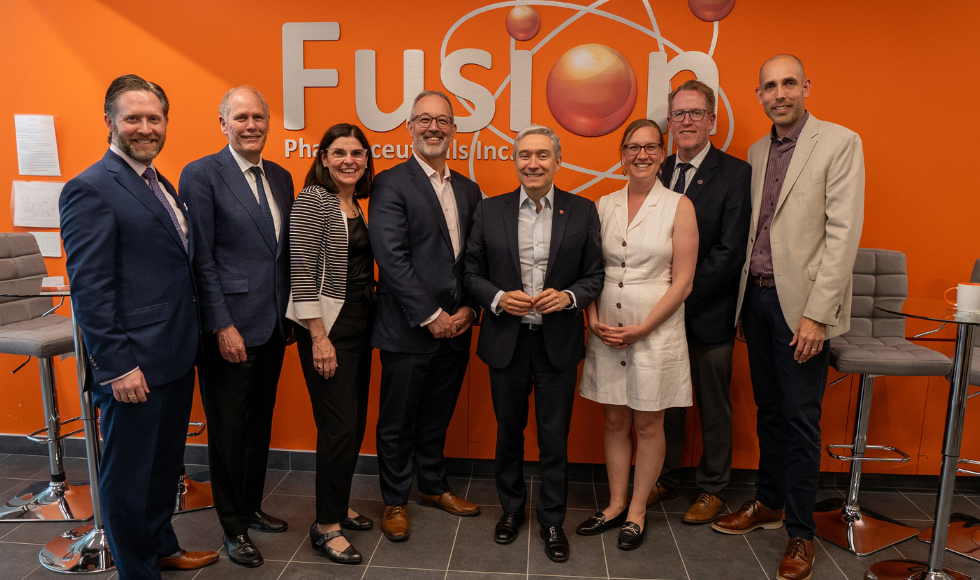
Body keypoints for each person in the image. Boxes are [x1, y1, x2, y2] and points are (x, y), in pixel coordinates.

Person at [60, 74, 219, 580]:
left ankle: (161, 546)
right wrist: (119, 365)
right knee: (128, 476)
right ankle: (137, 570)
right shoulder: (90, 189)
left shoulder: (157, 180)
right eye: (134, 118)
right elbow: (90, 290)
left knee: (162, 467)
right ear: (109, 121)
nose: (145, 127)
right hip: (134, 364)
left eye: (154, 118)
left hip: (172, 353)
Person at [712, 54, 864, 580]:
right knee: (770, 410)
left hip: (802, 307)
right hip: (755, 300)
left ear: (806, 87)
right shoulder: (757, 149)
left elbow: (843, 236)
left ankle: (801, 534)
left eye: (788, 83)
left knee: (801, 419)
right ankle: (769, 504)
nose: (779, 93)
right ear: (758, 95)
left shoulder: (840, 142)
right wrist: (740, 308)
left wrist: (817, 316)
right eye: (769, 86)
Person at [464, 124, 604, 562]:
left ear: (557, 161)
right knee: (509, 433)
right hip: (506, 340)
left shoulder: (582, 211)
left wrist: (569, 297)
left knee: (554, 438)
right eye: (525, 155)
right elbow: (470, 273)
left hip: (557, 342)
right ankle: (510, 510)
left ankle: (551, 519)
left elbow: (595, 275)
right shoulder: (491, 210)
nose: (533, 163)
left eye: (542, 155)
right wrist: (500, 298)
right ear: (515, 161)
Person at [179, 86, 293, 567]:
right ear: (222, 123)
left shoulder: (282, 177)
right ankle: (231, 526)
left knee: (258, 425)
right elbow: (200, 257)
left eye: (259, 117)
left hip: (272, 325)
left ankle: (250, 507)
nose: (252, 125)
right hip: (230, 328)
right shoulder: (202, 175)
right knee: (227, 430)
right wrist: (220, 324)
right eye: (241, 117)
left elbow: (280, 252)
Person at [576, 119, 698, 550]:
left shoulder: (679, 206)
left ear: (662, 154)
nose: (641, 155)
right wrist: (590, 317)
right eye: (632, 147)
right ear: (622, 154)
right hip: (607, 326)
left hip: (655, 328)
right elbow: (587, 270)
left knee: (648, 422)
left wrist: (645, 327)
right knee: (614, 418)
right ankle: (614, 504)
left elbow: (683, 281)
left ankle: (638, 511)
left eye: (650, 148)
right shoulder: (602, 204)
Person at [368, 91, 483, 542]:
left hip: (457, 327)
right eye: (424, 120)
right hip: (408, 328)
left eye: (442, 121)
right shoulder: (391, 184)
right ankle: (395, 500)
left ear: (454, 129)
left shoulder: (470, 190)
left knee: (438, 414)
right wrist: (432, 314)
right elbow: (391, 258)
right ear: (409, 128)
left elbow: (476, 259)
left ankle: (433, 486)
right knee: (397, 421)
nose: (433, 128)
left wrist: (469, 310)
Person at [652, 80, 751, 524]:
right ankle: (666, 476)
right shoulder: (655, 168)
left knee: (712, 404)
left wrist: (681, 296)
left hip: (707, 313)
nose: (686, 122)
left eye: (695, 113)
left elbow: (731, 251)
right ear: (669, 123)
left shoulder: (736, 174)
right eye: (678, 114)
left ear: (712, 120)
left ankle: (712, 487)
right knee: (666, 401)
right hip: (660, 316)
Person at [287, 123, 376, 565]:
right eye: (339, 153)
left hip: (361, 327)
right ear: (323, 157)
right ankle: (325, 526)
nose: (348, 161)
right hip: (329, 331)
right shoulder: (312, 201)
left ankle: (338, 505)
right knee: (338, 427)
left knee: (353, 425)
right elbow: (301, 273)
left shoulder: (356, 203)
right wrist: (318, 338)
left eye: (357, 153)